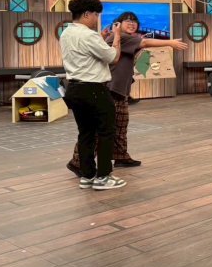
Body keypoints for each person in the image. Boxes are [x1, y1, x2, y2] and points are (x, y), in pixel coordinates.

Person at [66, 11, 188, 174]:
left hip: (119, 89)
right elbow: (145, 42)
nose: (132, 23)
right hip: (110, 89)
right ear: (118, 24)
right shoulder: (122, 37)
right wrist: (170, 42)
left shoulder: (123, 38)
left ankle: (120, 156)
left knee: (120, 124)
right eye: (127, 21)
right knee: (99, 128)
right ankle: (77, 162)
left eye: (134, 21)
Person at [60, 0, 125, 190]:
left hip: (74, 89)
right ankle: (103, 177)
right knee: (106, 132)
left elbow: (87, 53)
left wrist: (101, 39)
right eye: (96, 14)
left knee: (86, 133)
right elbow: (113, 57)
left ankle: (87, 176)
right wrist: (117, 36)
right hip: (94, 89)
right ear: (87, 14)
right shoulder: (89, 35)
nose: (97, 19)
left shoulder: (66, 33)